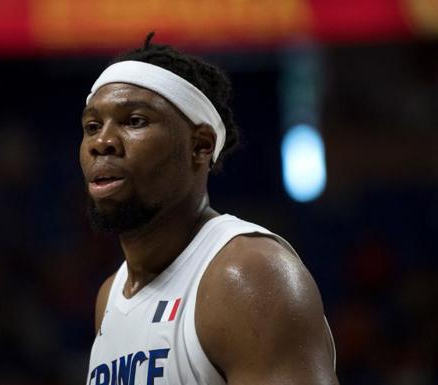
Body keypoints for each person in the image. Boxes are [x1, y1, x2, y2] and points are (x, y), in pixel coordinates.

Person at [80, 33, 338, 385]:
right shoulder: (110, 296)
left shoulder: (247, 276)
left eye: (134, 121)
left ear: (200, 146)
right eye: (92, 126)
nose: (102, 142)